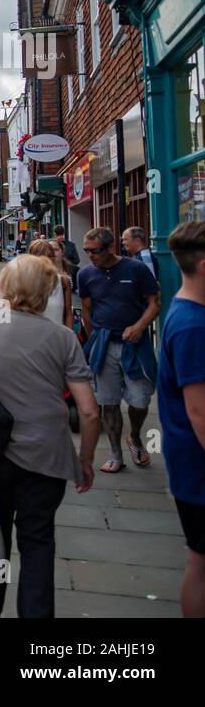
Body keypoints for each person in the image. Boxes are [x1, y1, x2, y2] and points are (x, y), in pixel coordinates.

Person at [0, 254, 100, 618]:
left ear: (5, 287)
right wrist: (85, 460)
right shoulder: (63, 338)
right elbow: (89, 411)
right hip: (46, 459)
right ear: (46, 293)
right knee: (38, 542)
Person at [78, 227, 160, 474]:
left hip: (135, 345)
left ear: (111, 247)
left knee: (140, 400)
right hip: (104, 344)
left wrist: (139, 326)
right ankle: (116, 455)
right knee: (108, 402)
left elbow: (154, 303)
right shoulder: (86, 274)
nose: (91, 256)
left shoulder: (136, 269)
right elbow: (87, 310)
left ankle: (134, 437)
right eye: (87, 251)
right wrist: (95, 339)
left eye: (95, 251)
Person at [158, 221, 205, 617]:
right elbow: (199, 411)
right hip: (197, 467)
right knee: (200, 564)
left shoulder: (184, 312)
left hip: (189, 464)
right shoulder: (192, 325)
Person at [30, 238, 74, 330]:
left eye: (50, 256)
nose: (48, 260)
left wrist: (69, 337)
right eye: (42, 256)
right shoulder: (23, 283)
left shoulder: (63, 281)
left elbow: (68, 313)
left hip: (57, 339)